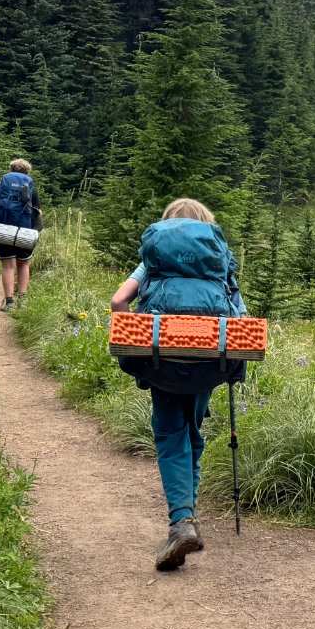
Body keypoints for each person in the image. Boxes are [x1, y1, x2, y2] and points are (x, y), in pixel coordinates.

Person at [111, 198, 246, 571]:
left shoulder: (154, 261)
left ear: (166, 227)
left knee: (171, 435)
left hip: (163, 361)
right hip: (208, 363)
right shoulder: (219, 261)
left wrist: (139, 342)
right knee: (193, 432)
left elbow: (118, 300)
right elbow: (240, 316)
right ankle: (189, 515)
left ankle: (182, 521)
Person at [0, 159, 42, 311]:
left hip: (2, 229)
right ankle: (22, 300)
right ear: (27, 172)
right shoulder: (30, 186)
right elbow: (37, 211)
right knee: (23, 263)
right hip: (24, 231)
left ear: (11, 170)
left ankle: (9, 302)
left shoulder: (0, 185)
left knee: (8, 265)